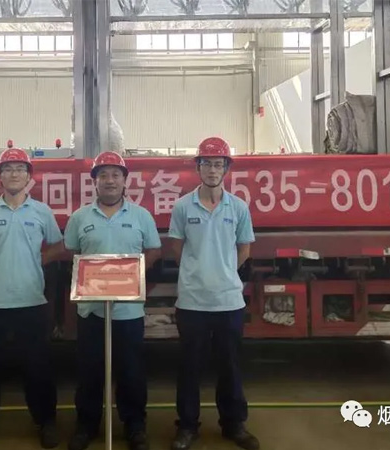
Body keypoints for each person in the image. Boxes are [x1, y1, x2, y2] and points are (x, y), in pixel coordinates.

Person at [0, 147, 65, 450]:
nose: (14, 174)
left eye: (20, 169)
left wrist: (35, 261)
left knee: (38, 368)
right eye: (7, 169)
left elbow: (59, 247)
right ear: (0, 177)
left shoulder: (41, 212)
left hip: (32, 303)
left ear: (29, 176)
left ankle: (45, 421)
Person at [64, 151, 162, 450]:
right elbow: (72, 253)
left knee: (131, 372)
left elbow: (153, 250)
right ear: (94, 182)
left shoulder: (141, 216)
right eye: (103, 175)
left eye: (115, 175)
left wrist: (131, 276)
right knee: (89, 371)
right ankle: (86, 425)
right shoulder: (80, 217)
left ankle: (135, 426)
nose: (110, 181)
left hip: (129, 312)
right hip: (91, 312)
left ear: (124, 181)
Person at [168, 137, 259, 450]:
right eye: (206, 163)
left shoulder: (238, 208)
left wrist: (222, 271)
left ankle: (233, 425)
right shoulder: (183, 207)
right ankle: (187, 427)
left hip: (228, 302)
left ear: (226, 169)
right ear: (198, 167)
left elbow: (244, 249)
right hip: (192, 302)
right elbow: (177, 249)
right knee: (189, 368)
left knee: (229, 367)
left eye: (218, 164)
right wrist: (200, 272)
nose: (212, 169)